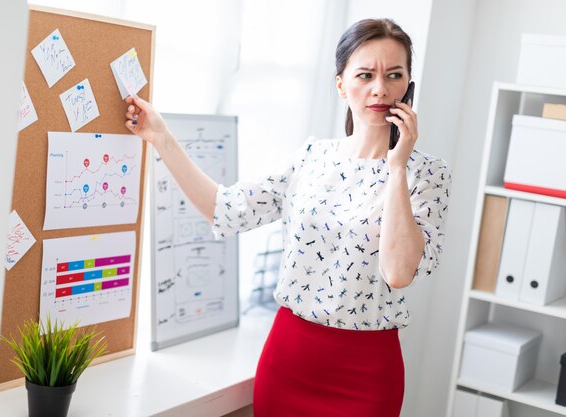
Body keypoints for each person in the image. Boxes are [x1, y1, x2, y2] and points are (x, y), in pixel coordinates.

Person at [124, 17, 451, 417]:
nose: (380, 89)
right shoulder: (312, 158)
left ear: (408, 87)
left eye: (394, 75)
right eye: (365, 74)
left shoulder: (427, 175)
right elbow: (227, 209)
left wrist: (397, 166)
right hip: (291, 358)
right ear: (341, 84)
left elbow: (399, 273)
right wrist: (162, 138)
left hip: (367, 373)